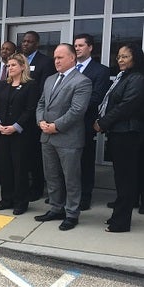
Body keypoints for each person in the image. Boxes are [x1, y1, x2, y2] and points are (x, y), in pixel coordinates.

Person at [34, 43, 91, 231]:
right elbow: (41, 103)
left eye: (60, 57)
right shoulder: (50, 79)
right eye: (55, 57)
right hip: (47, 137)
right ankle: (56, 208)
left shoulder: (82, 81)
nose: (56, 61)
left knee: (71, 178)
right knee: (52, 176)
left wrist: (55, 126)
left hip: (68, 139)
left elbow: (77, 111)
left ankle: (72, 213)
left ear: (72, 58)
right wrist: (41, 122)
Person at [94, 43, 144, 232]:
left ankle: (121, 223)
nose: (120, 60)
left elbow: (126, 107)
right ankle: (118, 216)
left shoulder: (137, 78)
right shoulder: (125, 77)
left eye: (125, 57)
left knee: (127, 179)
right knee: (122, 178)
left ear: (135, 58)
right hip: (119, 133)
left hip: (128, 134)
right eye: (119, 56)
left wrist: (103, 122)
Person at [0, 53, 39, 215]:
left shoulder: (31, 86)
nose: (10, 68)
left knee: (19, 169)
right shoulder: (3, 85)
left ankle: (20, 201)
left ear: (23, 67)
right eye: (8, 66)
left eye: (13, 65)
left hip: (20, 135)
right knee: (5, 167)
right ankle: (6, 199)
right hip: (2, 133)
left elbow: (30, 110)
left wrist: (16, 126)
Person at [73, 33, 111, 210]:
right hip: (66, 124)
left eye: (81, 45)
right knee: (68, 162)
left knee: (85, 161)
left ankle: (85, 196)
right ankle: (67, 194)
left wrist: (72, 109)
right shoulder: (69, 68)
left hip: (85, 123)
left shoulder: (100, 70)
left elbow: (96, 97)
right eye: (75, 46)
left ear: (90, 47)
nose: (77, 48)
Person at [20, 31, 56, 202]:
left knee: (35, 156)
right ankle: (23, 186)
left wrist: (35, 113)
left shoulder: (45, 62)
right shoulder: (19, 60)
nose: (26, 44)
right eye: (24, 41)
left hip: (35, 115)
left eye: (30, 41)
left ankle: (37, 187)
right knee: (22, 155)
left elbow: (43, 91)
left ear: (37, 44)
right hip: (18, 116)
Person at [0, 41, 17, 187]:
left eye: (8, 49)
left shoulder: (17, 71)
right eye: (2, 49)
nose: (4, 51)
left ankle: (9, 177)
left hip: (11, 114)